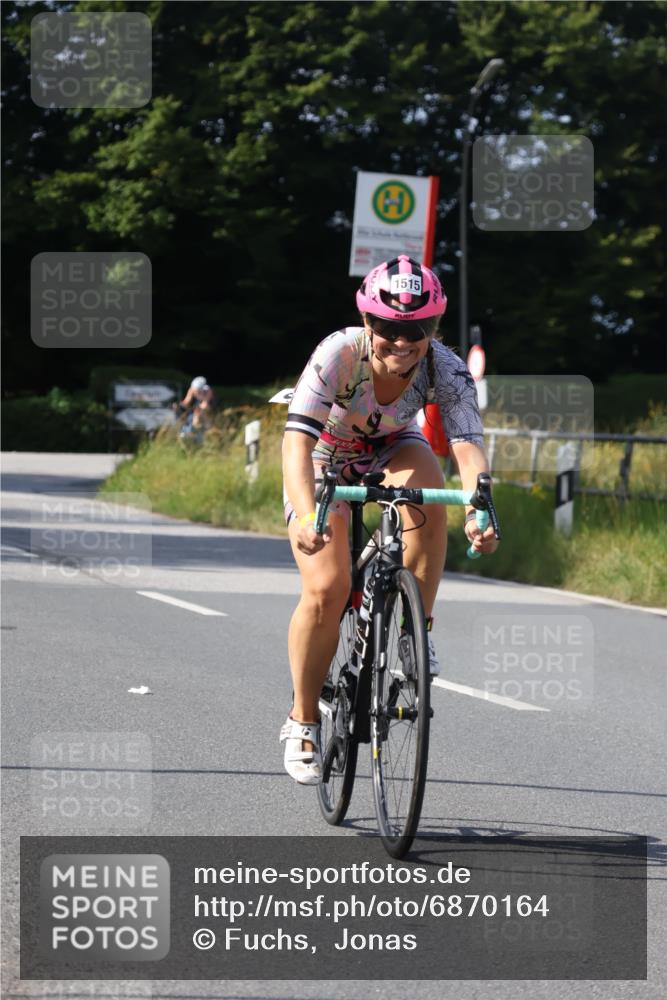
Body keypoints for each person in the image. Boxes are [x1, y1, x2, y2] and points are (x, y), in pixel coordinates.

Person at [281, 255, 499, 784]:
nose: (402, 342)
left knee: (431, 498)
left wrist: (480, 508)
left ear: (434, 329)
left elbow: (468, 447)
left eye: (418, 330)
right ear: (368, 323)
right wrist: (309, 514)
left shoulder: (445, 368)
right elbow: (296, 442)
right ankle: (303, 719)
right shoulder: (337, 354)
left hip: (393, 447)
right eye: (389, 328)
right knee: (328, 588)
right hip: (325, 457)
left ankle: (414, 632)